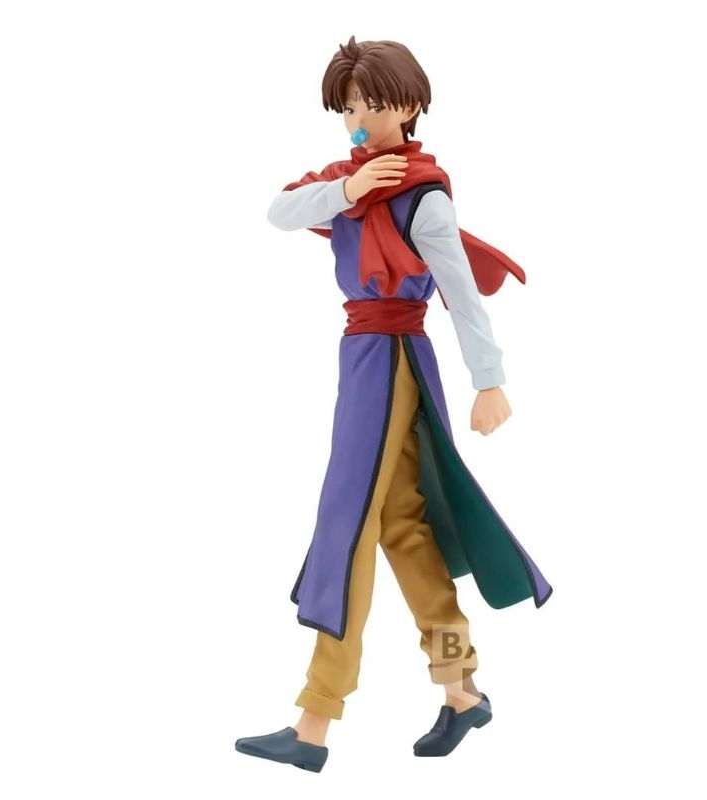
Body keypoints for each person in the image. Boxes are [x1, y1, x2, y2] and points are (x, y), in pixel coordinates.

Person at [234, 35, 552, 773]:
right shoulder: (348, 182)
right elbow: (279, 211)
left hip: (391, 356)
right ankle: (461, 686)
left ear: (408, 106)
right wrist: (348, 191)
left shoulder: (422, 194)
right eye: (349, 106)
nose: (359, 118)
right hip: (363, 354)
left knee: (346, 524)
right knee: (404, 529)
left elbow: (461, 293)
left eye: (372, 104)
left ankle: (314, 721)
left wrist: (489, 379)